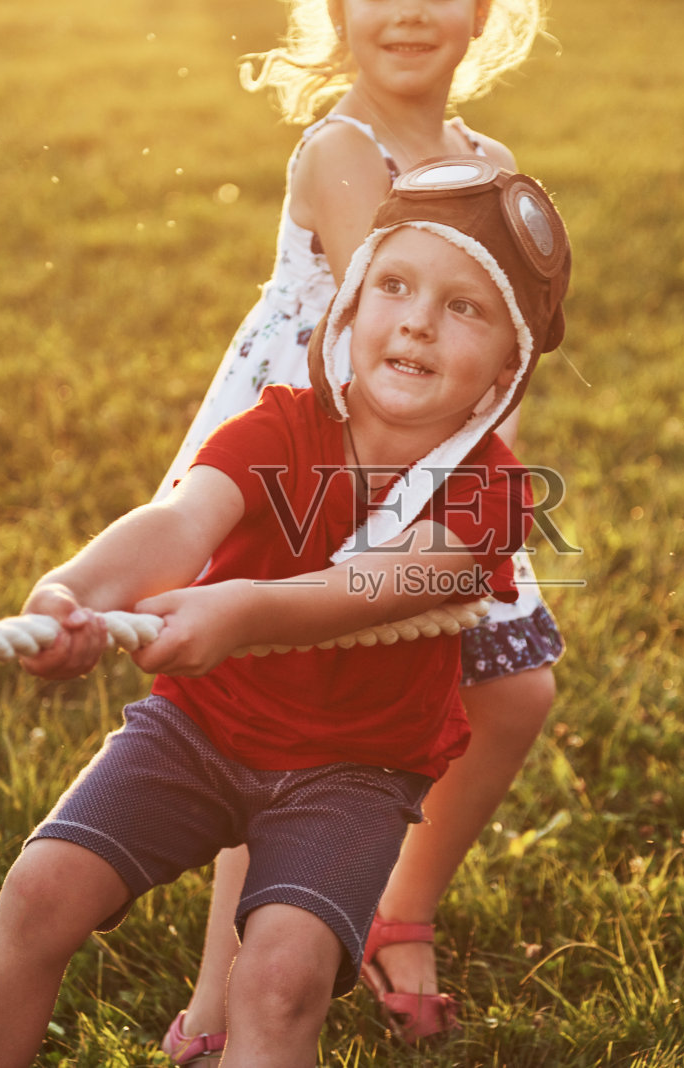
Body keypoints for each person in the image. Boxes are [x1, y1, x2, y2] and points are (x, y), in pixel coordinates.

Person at [0, 160, 572, 1068]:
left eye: (464, 306)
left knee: (280, 980)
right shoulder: (279, 427)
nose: (418, 321)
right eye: (394, 285)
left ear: (510, 364)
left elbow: (386, 583)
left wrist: (242, 611)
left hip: (355, 771)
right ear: (350, 304)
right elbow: (178, 523)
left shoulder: (495, 492)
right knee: (41, 889)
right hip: (198, 727)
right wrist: (75, 590)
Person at [156, 1, 562, 1055]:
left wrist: (484, 480)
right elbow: (393, 329)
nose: (410, 10)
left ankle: (396, 908)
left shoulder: (489, 162)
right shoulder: (343, 152)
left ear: (482, 13)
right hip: (318, 465)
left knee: (514, 690)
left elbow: (498, 341)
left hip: (442, 460)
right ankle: (217, 1005)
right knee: (281, 710)